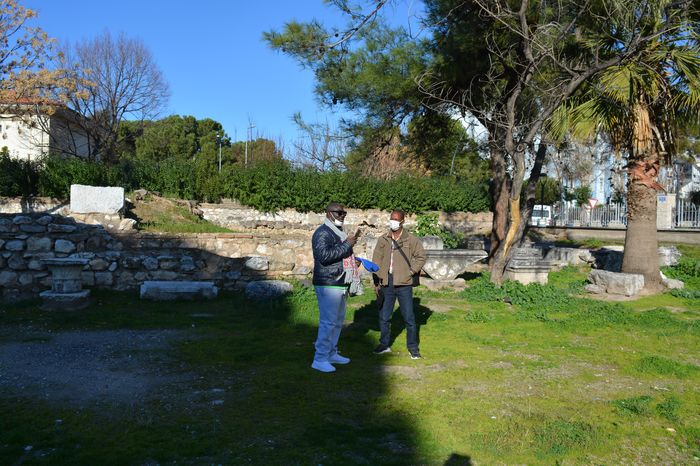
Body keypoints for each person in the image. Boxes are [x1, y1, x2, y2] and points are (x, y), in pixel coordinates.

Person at [310, 202, 359, 373]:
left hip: (339, 281)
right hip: (328, 282)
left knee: (337, 322)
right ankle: (319, 359)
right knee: (328, 322)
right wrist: (348, 245)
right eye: (339, 212)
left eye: (344, 213)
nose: (342, 215)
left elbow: (339, 255)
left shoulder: (337, 232)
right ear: (328, 213)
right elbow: (324, 256)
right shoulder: (322, 232)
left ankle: (331, 353)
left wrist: (352, 261)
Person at [371, 209, 426, 359]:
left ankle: (413, 348)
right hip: (386, 283)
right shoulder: (383, 239)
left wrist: (411, 271)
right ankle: (384, 345)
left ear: (402, 221)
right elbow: (376, 260)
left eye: (396, 219)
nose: (393, 222)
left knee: (409, 318)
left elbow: (421, 256)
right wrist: (377, 279)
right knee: (384, 317)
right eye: (391, 218)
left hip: (404, 284)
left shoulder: (411, 239)